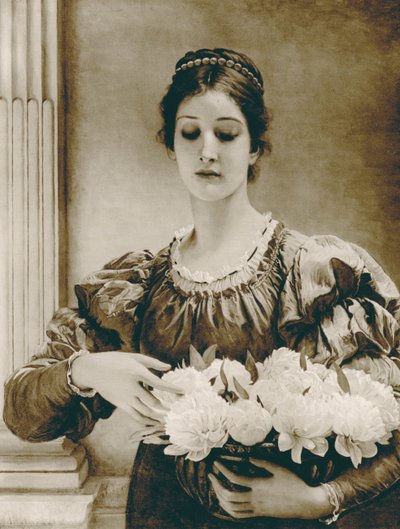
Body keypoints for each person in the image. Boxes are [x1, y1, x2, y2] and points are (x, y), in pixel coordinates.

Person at [3, 48, 400, 529]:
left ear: (254, 148)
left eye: (226, 134)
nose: (207, 150)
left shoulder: (310, 272)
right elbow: (23, 416)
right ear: (171, 145)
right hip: (161, 512)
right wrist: (86, 370)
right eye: (190, 133)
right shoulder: (138, 286)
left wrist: (317, 499)